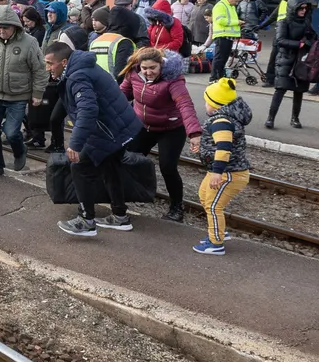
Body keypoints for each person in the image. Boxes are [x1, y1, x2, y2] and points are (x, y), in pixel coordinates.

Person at [47, 41, 142, 237]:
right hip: (120, 127)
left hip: (108, 131)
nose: (48, 68)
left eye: (50, 63)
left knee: (79, 166)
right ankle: (120, 216)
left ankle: (86, 221)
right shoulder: (82, 66)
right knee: (110, 167)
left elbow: (88, 110)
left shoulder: (77, 76)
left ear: (63, 62)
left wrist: (75, 143)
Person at [119, 47, 202, 222]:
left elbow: (185, 105)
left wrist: (194, 133)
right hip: (143, 126)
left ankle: (177, 207)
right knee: (129, 159)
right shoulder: (133, 74)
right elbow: (120, 96)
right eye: (145, 68)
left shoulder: (173, 79)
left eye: (153, 68)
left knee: (168, 167)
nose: (148, 72)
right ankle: (127, 195)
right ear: (139, 66)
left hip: (170, 129)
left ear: (161, 65)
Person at [0, 5, 47, 177]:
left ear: (15, 26)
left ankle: (20, 150)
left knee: (12, 132)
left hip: (18, 96)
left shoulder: (29, 43)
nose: (1, 31)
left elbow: (39, 69)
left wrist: (38, 93)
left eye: (5, 27)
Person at [194, 78, 253, 255]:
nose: (205, 105)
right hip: (220, 170)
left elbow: (224, 148)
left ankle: (216, 243)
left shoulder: (221, 122)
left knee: (213, 206)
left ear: (215, 104)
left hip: (228, 173)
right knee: (204, 197)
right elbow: (216, 143)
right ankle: (218, 231)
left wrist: (217, 173)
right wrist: (202, 148)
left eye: (207, 101)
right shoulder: (223, 119)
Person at [265, 0, 315, 130]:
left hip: (301, 60)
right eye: (301, 8)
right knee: (280, 89)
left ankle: (295, 118)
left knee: (299, 90)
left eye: (305, 8)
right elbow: (280, 40)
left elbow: (313, 37)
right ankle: (270, 118)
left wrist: (310, 42)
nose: (303, 11)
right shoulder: (284, 22)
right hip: (286, 59)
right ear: (294, 8)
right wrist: (300, 44)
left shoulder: (306, 22)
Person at [262, 0, 300, 86]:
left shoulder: (299, 3)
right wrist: (261, 26)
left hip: (291, 34)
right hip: (279, 34)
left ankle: (285, 80)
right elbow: (273, 16)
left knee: (288, 59)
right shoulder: (283, 2)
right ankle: (270, 79)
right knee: (273, 57)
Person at [89, 7, 133, 78]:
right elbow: (121, 72)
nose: (93, 23)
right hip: (114, 83)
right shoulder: (122, 42)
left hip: (96, 82)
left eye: (96, 20)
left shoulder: (94, 42)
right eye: (93, 20)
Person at [210, 0, 243, 81]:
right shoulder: (220, 6)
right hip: (222, 35)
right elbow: (221, 20)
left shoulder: (230, 6)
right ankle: (214, 78)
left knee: (223, 59)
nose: (236, 3)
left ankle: (219, 77)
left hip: (227, 36)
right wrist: (237, 22)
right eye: (236, 1)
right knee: (219, 58)